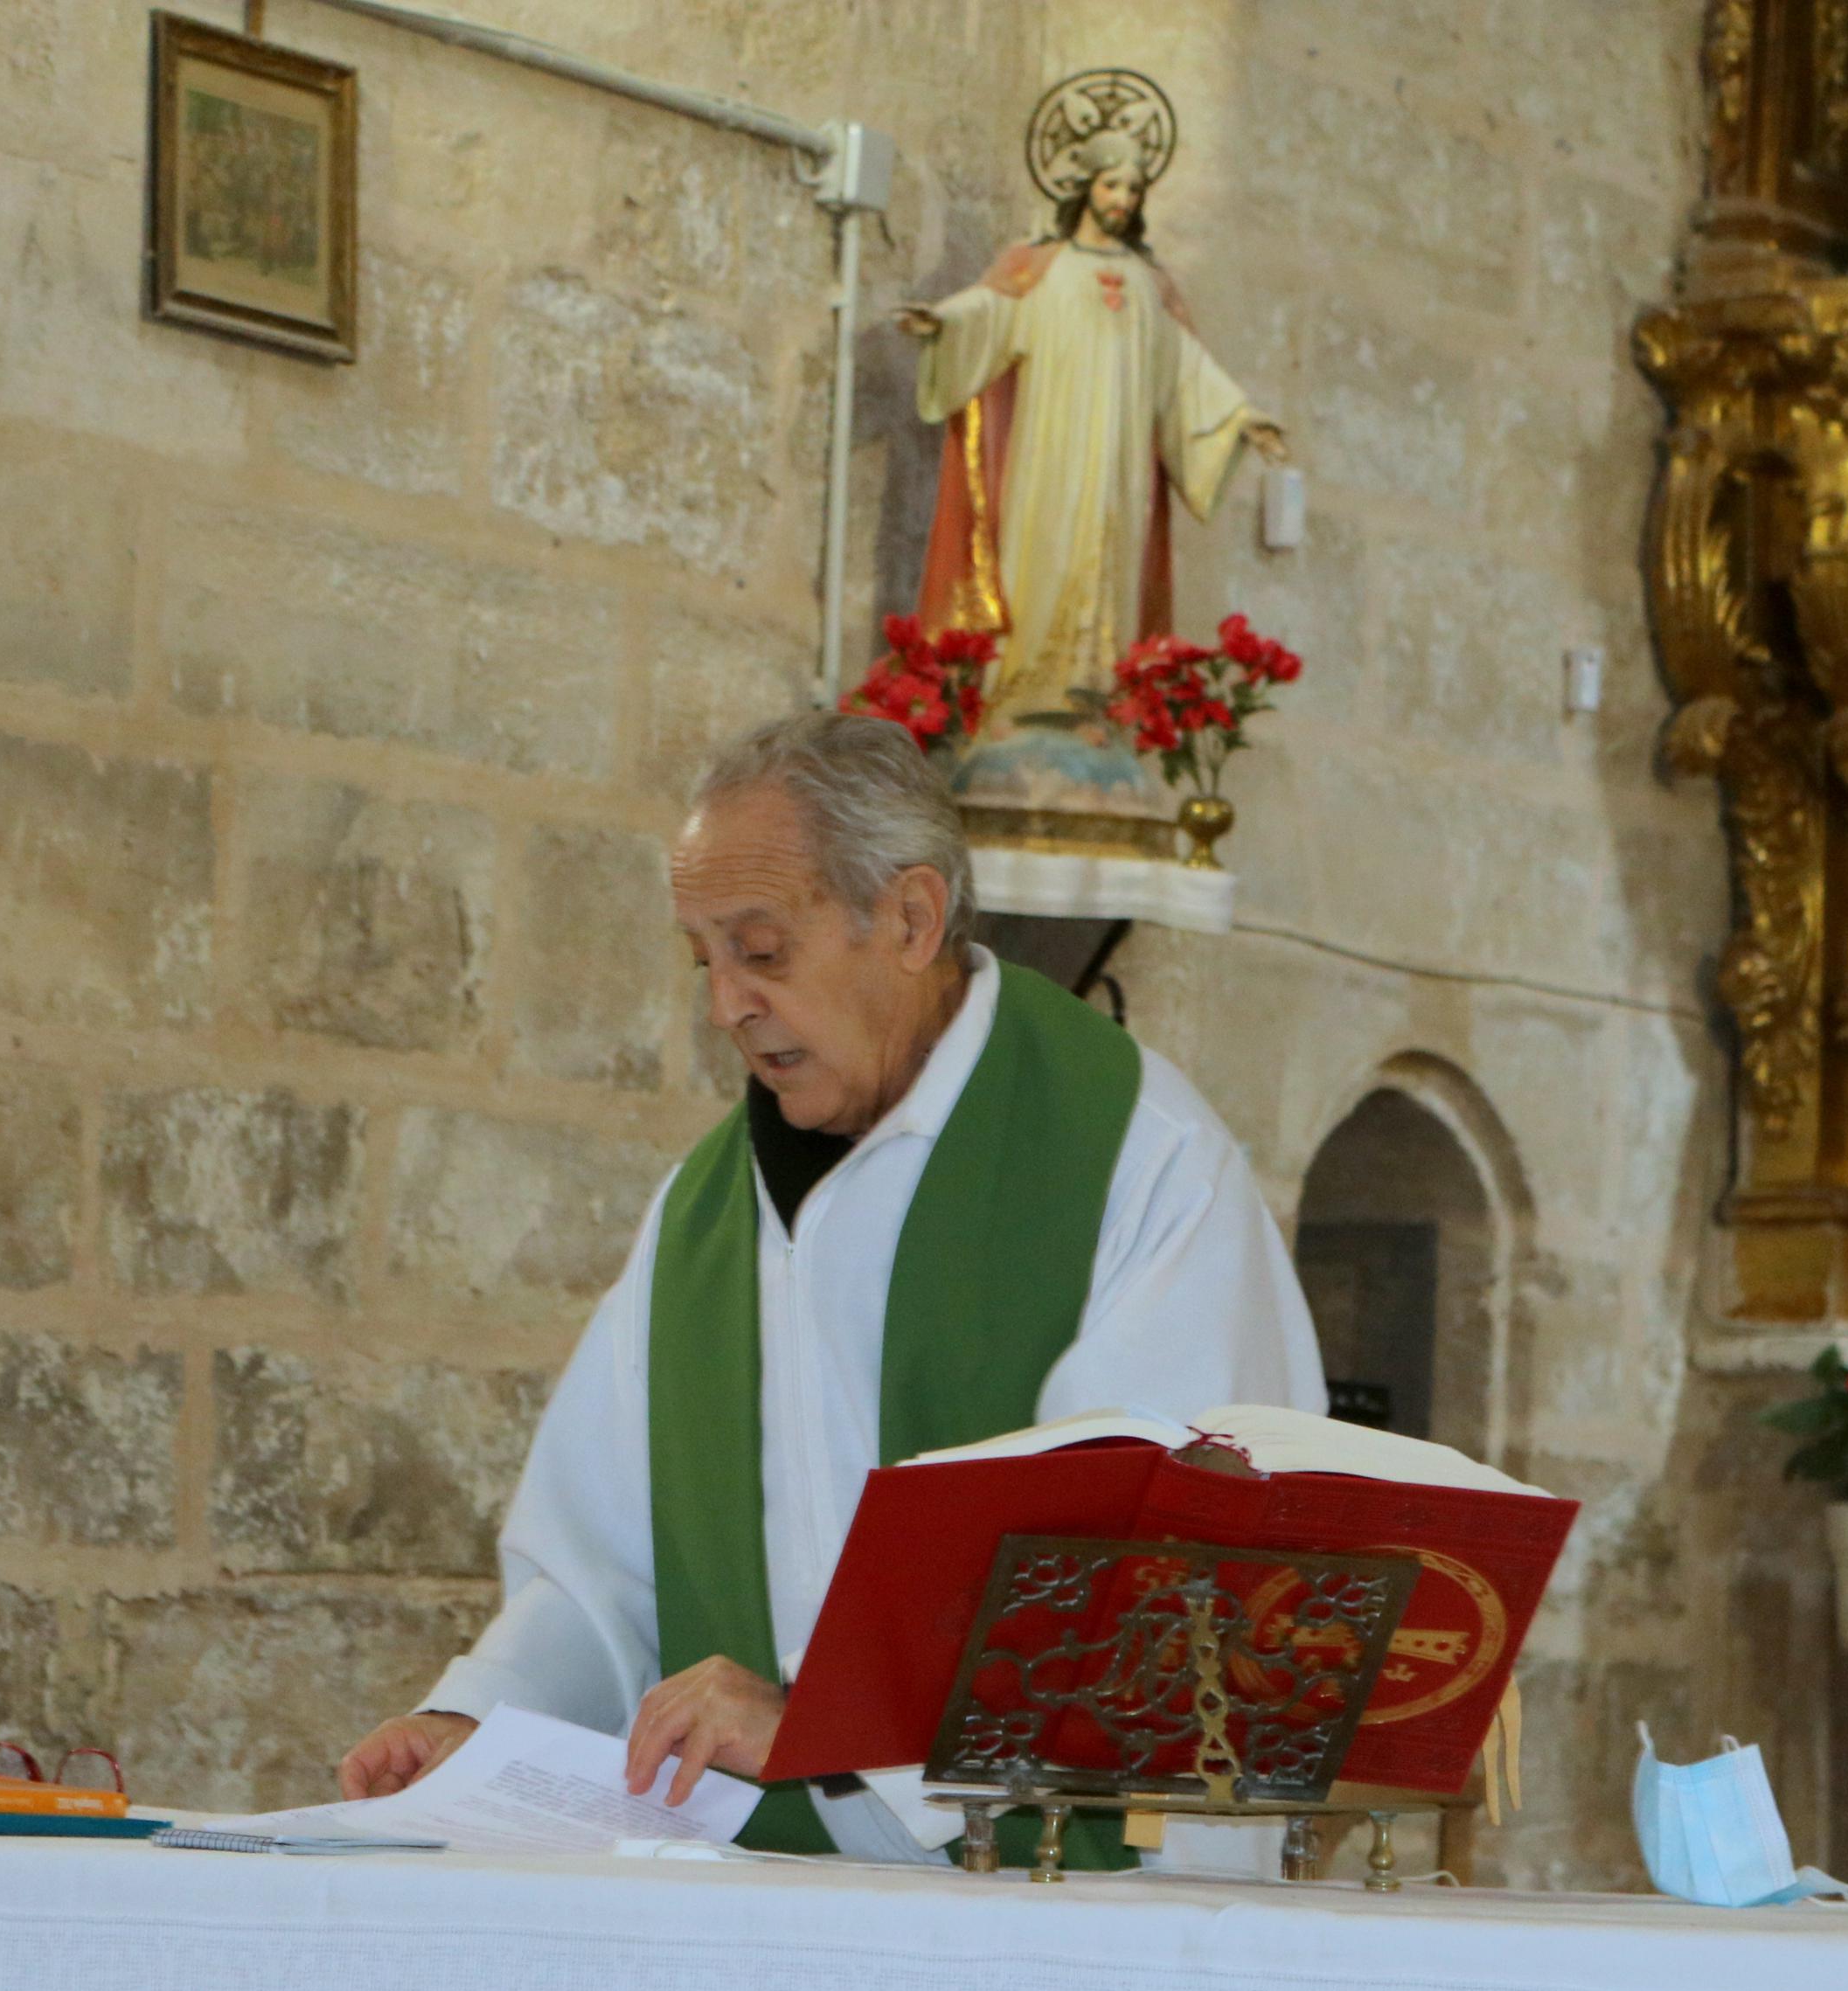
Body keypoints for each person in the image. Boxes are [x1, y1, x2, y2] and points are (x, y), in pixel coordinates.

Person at [336, 712, 1324, 1861]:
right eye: (702, 958)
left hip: (1066, 1914)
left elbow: (1166, 1587)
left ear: (909, 918)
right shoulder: (699, 1217)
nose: (724, 1006)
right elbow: (598, 1571)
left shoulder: (1136, 1163)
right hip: (773, 1910)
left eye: (760, 950)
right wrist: (476, 1715)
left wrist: (824, 1722)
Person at [896, 131, 1290, 718]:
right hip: (1049, 453)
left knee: (1109, 564)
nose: (1122, 199)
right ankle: (1021, 695)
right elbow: (993, 311)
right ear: (1085, 188)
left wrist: (1240, 419)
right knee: (1041, 556)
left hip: (1119, 466)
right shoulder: (1041, 266)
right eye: (1112, 184)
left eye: (1133, 188)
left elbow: (1182, 367)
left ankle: (1098, 703)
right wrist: (943, 322)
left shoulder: (1147, 284)